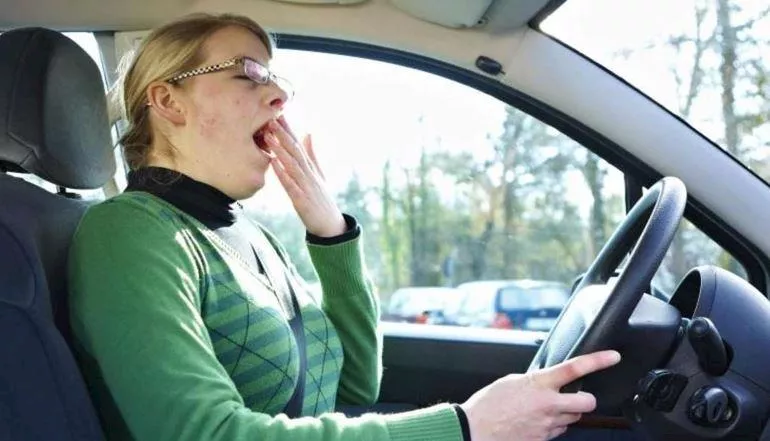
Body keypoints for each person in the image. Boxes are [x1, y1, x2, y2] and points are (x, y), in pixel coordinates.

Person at [68, 12, 621, 441]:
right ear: (168, 101)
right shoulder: (131, 232)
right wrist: (466, 426)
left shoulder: (249, 235)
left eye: (275, 78)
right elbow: (204, 434)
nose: (279, 95)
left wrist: (332, 234)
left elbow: (353, 387)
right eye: (249, 73)